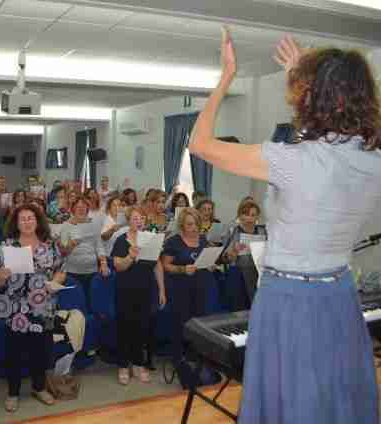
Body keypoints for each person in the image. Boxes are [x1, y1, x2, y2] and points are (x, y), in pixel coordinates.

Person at [188, 28, 381, 423]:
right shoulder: (372, 159)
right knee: (331, 403)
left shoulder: (291, 161)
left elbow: (200, 144)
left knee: (287, 406)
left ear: (317, 97)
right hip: (340, 295)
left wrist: (227, 75)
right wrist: (303, 76)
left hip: (288, 299)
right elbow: (325, 145)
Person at [0, 204, 65, 413]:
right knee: (14, 353)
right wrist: (1, 275)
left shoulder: (50, 245)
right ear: (15, 223)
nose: (27, 222)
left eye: (30, 218)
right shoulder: (6, 246)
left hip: (43, 306)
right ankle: (13, 393)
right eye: (22, 218)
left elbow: (61, 270)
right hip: (14, 309)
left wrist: (56, 281)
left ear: (38, 221)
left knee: (40, 352)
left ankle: (39, 388)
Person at [111, 207, 165, 385]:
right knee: (125, 327)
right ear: (128, 221)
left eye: (142, 218)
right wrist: (130, 256)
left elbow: (157, 265)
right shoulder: (121, 240)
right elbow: (118, 266)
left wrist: (162, 290)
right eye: (135, 218)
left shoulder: (151, 238)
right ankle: (123, 366)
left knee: (142, 327)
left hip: (146, 288)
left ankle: (138, 364)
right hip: (126, 290)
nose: (139, 221)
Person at [160, 209, 211, 383]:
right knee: (180, 323)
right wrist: (182, 269)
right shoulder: (174, 242)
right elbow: (165, 265)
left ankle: (194, 357)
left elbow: (204, 260)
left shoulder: (203, 239)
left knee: (198, 323)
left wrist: (209, 264)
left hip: (200, 286)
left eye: (196, 224)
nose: (194, 228)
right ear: (182, 225)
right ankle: (178, 358)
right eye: (190, 224)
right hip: (179, 288)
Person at [59, 196, 109, 311]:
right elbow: (63, 253)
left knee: (91, 304)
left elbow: (99, 246)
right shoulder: (66, 226)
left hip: (92, 271)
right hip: (72, 272)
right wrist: (72, 244)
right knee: (75, 307)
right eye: (78, 207)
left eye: (84, 207)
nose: (81, 210)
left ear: (87, 209)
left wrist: (103, 262)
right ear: (73, 210)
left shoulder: (94, 225)